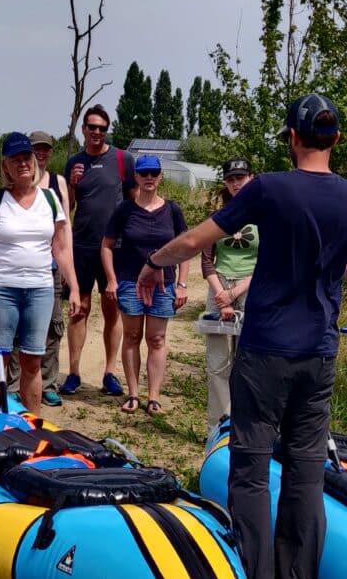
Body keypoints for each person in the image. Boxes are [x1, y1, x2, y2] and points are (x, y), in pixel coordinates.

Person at [137, 93, 347, 579]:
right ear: (337, 139)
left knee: (252, 471)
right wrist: (335, 266)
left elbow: (194, 242)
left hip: (265, 352)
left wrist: (152, 263)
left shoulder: (269, 188)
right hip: (319, 354)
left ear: (293, 138)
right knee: (306, 474)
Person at [0, 132, 80, 414]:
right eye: (15, 159)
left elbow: (61, 248)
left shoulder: (50, 199)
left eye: (26, 158)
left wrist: (74, 287)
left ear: (34, 161)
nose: (23, 164)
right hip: (0, 290)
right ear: (5, 166)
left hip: (40, 291)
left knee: (33, 362)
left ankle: (31, 426)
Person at [101, 155, 188, 414]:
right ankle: (133, 394)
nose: (149, 178)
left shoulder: (172, 210)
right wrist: (112, 279)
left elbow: (185, 248)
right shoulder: (124, 210)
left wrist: (182, 284)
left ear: (160, 176)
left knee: (157, 339)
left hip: (164, 285)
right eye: (144, 173)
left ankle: (154, 396)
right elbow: (106, 246)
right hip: (130, 282)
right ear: (136, 177)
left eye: (154, 173)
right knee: (132, 336)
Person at [61, 104, 137, 396]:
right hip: (81, 246)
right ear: (83, 129)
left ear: (107, 131)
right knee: (79, 310)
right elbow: (67, 207)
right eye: (91, 127)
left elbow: (133, 201)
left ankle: (109, 373)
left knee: (111, 311)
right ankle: (74, 373)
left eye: (102, 128)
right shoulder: (74, 163)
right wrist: (72, 185)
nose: (96, 132)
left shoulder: (122, 159)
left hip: (113, 248)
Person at [6, 130, 71, 407]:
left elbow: (66, 227)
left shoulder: (58, 183)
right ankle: (13, 385)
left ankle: (47, 384)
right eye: (36, 149)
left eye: (46, 149)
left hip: (50, 268)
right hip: (18, 270)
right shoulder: (13, 185)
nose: (41, 154)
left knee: (52, 327)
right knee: (17, 327)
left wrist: (68, 268)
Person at [202, 157, 258, 437]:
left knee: (248, 362)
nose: (236, 184)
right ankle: (218, 427)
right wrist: (221, 294)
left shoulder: (265, 216)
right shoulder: (218, 216)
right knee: (218, 363)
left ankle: (246, 425)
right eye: (231, 179)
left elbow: (267, 260)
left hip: (251, 287)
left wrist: (235, 293)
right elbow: (206, 259)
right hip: (219, 285)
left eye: (241, 178)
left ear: (251, 178)